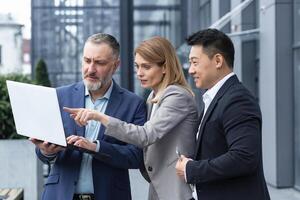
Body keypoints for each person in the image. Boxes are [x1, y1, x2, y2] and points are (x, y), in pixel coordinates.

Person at [64, 36, 199, 200]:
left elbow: (145, 135)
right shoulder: (153, 98)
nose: (139, 73)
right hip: (161, 188)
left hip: (177, 191)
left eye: (146, 67)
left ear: (165, 67)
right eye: (137, 66)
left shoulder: (177, 95)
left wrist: (99, 116)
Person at [30, 33, 147, 200]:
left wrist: (96, 147)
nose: (91, 69)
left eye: (99, 63)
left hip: (110, 195)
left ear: (115, 65)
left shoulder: (134, 104)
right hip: (59, 195)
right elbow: (42, 152)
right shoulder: (58, 96)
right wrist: (46, 151)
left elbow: (136, 157)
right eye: (87, 60)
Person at [175, 28, 270, 200]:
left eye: (195, 62)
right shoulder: (216, 97)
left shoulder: (237, 100)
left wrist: (192, 170)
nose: (190, 70)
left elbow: (244, 157)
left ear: (218, 60)